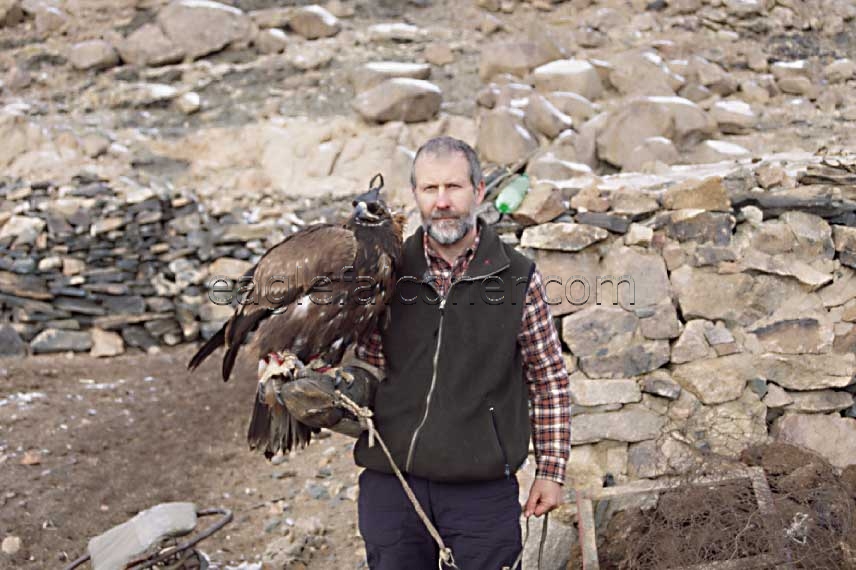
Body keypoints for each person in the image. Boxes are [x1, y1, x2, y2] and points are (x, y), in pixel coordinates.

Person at [286, 136, 572, 569]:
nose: (442, 202)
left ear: (478, 192)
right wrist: (328, 383)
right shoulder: (388, 271)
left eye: (454, 188)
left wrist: (550, 470)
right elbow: (370, 364)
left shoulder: (517, 277)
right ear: (415, 195)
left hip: (481, 491)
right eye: (430, 189)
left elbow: (548, 378)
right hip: (393, 483)